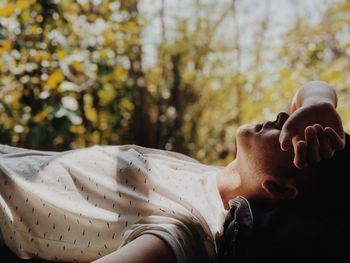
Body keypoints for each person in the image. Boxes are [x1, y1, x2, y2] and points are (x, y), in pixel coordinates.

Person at [0, 80, 345, 263]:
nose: (287, 119)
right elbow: (311, 86)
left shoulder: (189, 227)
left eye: (300, 141)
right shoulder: (199, 175)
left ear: (281, 189)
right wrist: (321, 106)